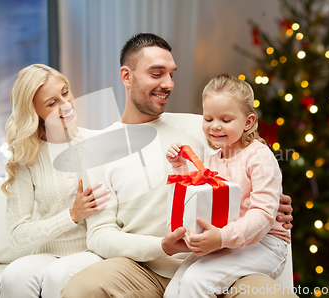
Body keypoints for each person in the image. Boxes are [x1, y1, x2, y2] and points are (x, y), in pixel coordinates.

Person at [62, 33, 296, 298]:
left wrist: (275, 203)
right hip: (147, 268)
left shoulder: (206, 126)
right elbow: (100, 235)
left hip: (224, 256)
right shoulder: (99, 149)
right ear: (126, 76)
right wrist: (162, 246)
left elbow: (244, 177)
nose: (168, 84)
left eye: (171, 74)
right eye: (157, 73)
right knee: (81, 288)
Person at [164, 74, 290, 297]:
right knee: (173, 291)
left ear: (248, 122)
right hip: (226, 241)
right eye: (208, 119)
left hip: (265, 245)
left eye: (225, 120)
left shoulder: (259, 157)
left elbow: (262, 215)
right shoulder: (212, 160)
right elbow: (195, 193)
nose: (215, 127)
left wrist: (221, 238)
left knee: (195, 282)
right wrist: (180, 167)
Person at [0, 64, 110, 298]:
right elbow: (17, 234)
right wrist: (71, 215)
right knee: (14, 276)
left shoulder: (96, 143)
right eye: (52, 103)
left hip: (91, 250)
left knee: (58, 274)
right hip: (47, 253)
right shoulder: (26, 156)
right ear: (34, 112)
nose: (66, 104)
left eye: (65, 92)